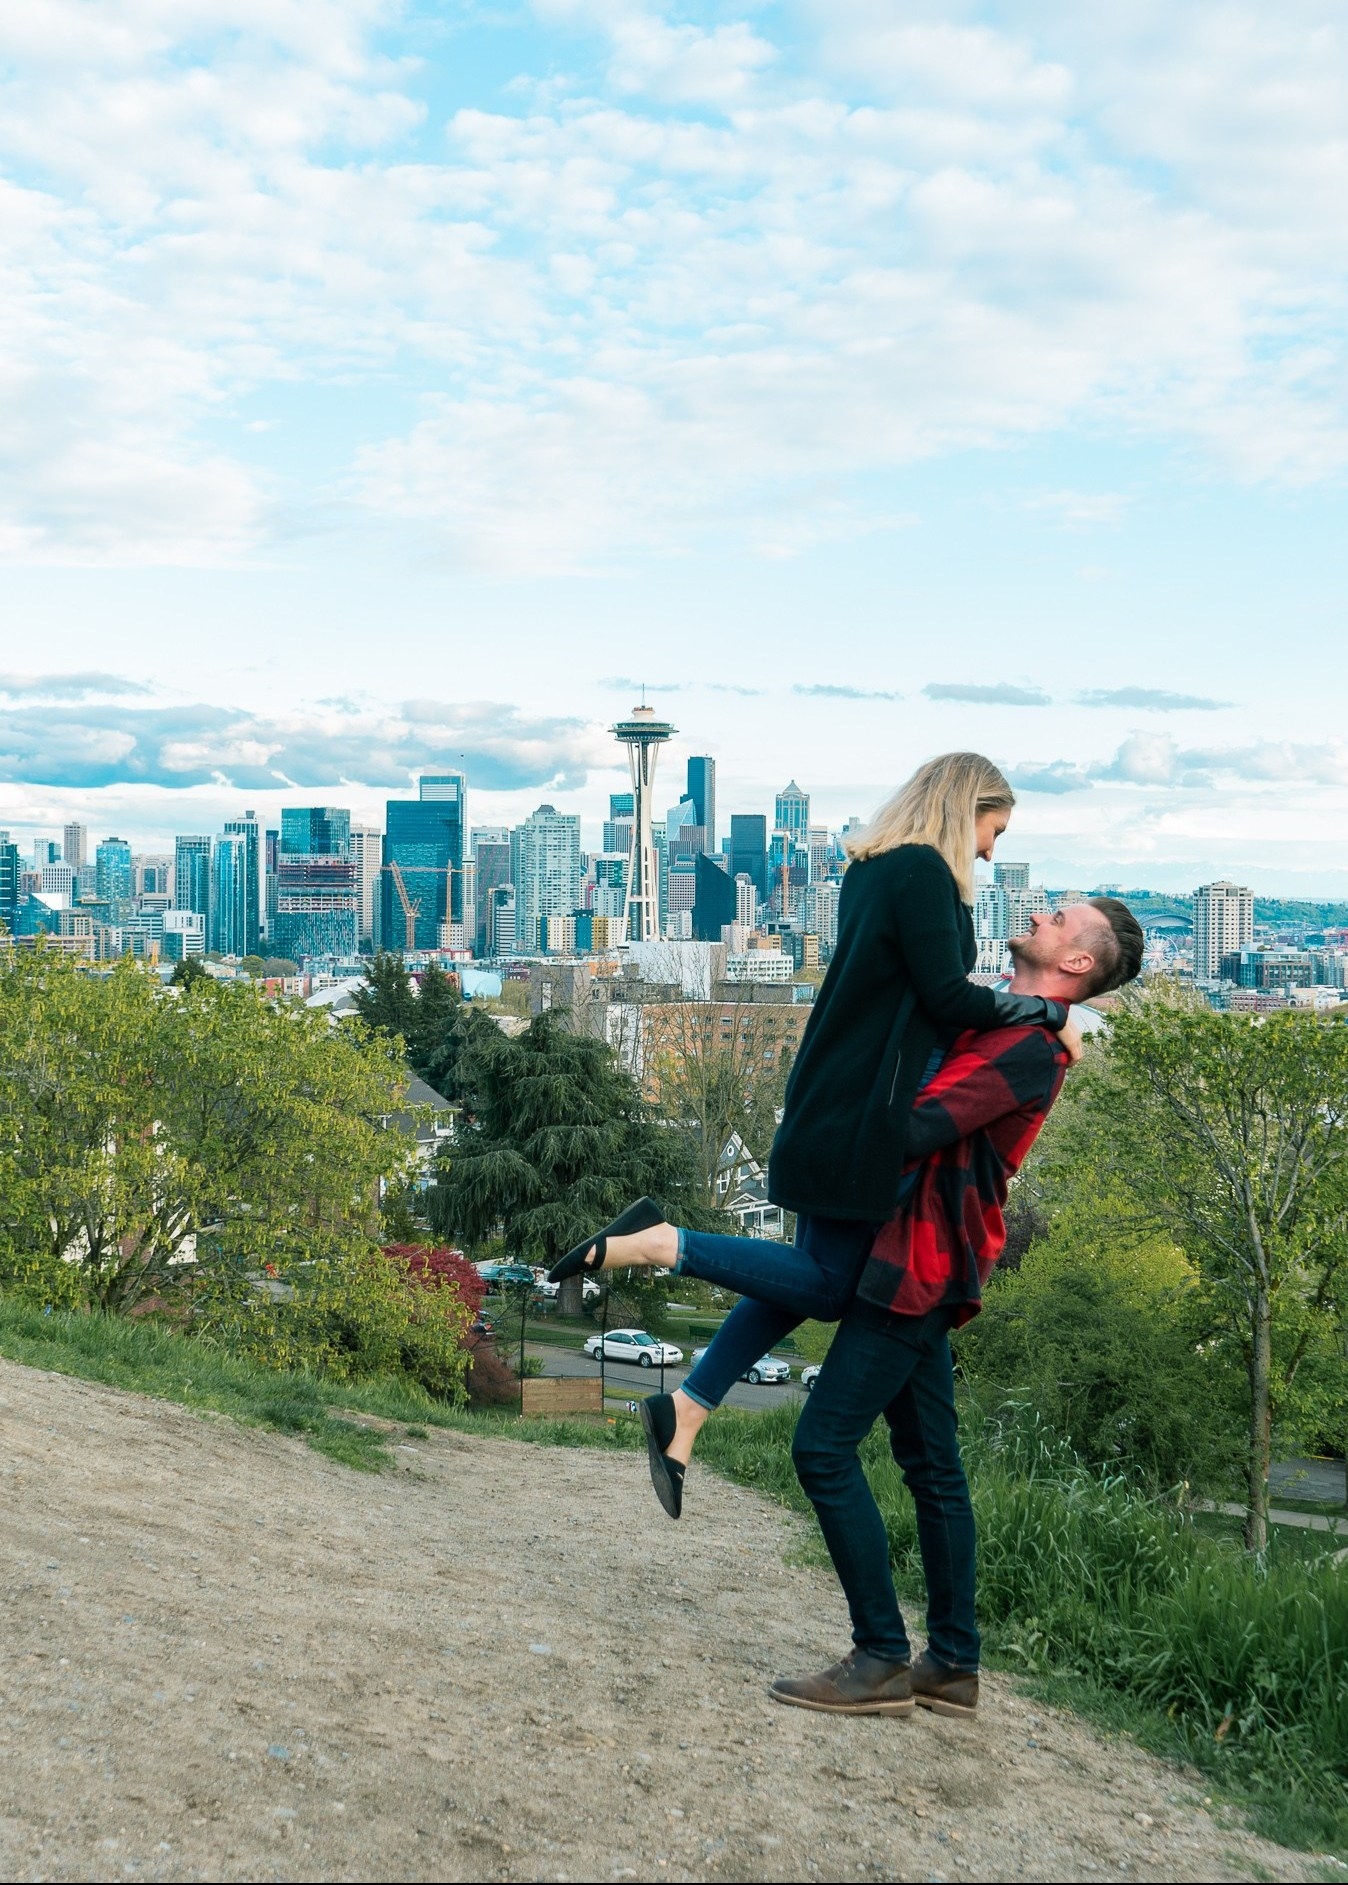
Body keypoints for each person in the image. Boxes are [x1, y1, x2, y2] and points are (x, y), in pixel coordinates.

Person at [549, 752, 1080, 1517]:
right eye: (993, 830)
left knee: (805, 1274)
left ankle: (686, 1410)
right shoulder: (923, 875)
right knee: (829, 1286)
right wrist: (1055, 1016)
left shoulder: (871, 871)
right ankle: (664, 1243)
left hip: (835, 1104)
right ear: (967, 807)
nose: (992, 852)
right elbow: (949, 996)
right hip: (864, 1117)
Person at [768, 896, 1144, 1719]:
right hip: (921, 1256)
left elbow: (913, 1124)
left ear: (1078, 963)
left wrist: (843, 1086)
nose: (1041, 913)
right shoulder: (1014, 1018)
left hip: (918, 1266)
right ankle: (954, 1663)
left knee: (822, 1448)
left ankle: (878, 1657)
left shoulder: (1030, 1049)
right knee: (933, 1465)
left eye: (1059, 917)